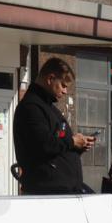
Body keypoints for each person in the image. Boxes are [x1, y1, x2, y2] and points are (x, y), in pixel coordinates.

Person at [13, 57, 95, 194]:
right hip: (48, 193)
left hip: (60, 189)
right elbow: (43, 145)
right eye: (63, 85)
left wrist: (78, 147)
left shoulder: (48, 107)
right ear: (50, 79)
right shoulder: (32, 107)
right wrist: (72, 141)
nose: (65, 91)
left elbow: (57, 146)